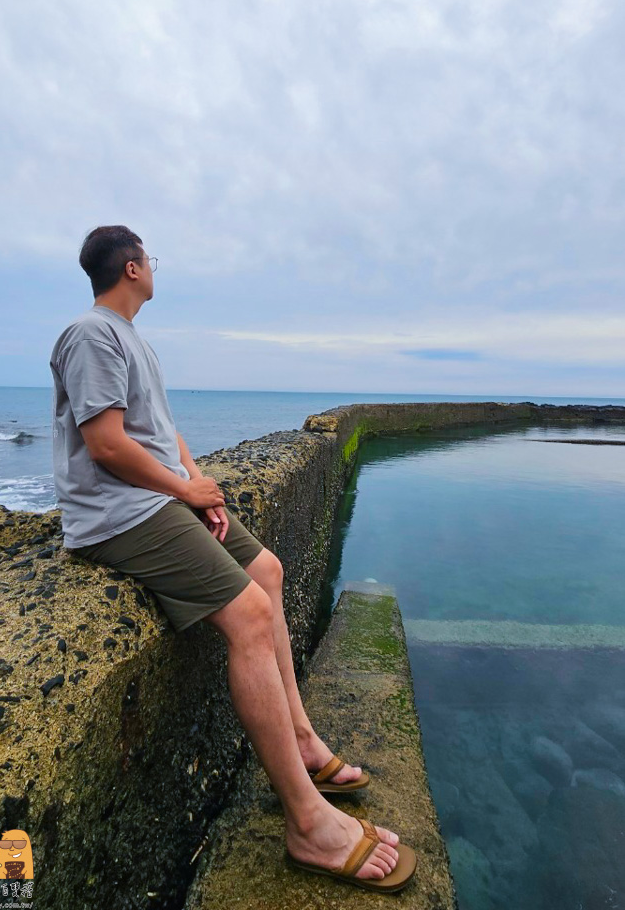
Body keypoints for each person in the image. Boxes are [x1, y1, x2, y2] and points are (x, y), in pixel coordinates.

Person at [50, 225, 416, 893]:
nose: (153, 269)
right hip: (118, 515)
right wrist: (182, 488)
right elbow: (104, 444)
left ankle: (302, 740)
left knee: (268, 571)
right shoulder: (91, 334)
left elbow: (161, 431)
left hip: (160, 500)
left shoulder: (132, 341)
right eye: (149, 261)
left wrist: (200, 486)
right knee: (249, 615)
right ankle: (307, 824)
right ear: (133, 267)